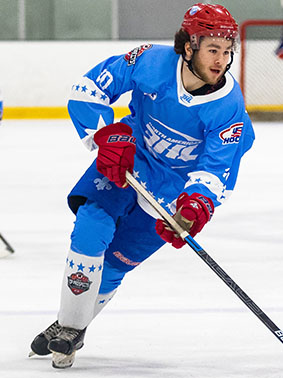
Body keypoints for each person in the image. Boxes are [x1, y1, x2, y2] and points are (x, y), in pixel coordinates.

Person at [30, 3, 255, 369]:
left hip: (171, 189)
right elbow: (89, 88)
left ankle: (73, 323)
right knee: (91, 225)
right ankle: (71, 326)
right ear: (188, 47)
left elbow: (217, 167)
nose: (221, 60)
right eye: (213, 49)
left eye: (227, 51)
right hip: (128, 162)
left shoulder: (228, 107)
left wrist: (196, 205)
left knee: (116, 262)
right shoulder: (149, 62)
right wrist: (108, 135)